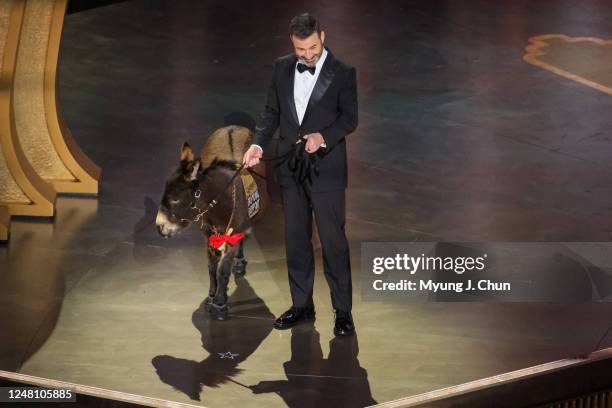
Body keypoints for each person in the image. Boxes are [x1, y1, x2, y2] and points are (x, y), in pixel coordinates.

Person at [243, 13, 358, 336]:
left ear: (323, 36)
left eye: (313, 47)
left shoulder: (343, 73)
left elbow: (350, 119)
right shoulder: (281, 67)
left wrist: (323, 137)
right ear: (291, 43)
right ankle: (302, 306)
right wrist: (258, 145)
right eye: (301, 50)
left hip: (327, 170)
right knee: (296, 240)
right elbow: (271, 112)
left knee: (333, 243)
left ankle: (343, 311)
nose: (308, 55)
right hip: (290, 169)